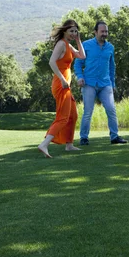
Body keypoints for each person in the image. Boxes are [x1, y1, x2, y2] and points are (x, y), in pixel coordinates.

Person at [74, 21, 128, 145]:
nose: (105, 34)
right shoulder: (86, 45)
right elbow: (77, 64)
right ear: (95, 32)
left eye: (106, 31)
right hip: (89, 83)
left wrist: (112, 84)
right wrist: (79, 77)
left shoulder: (110, 47)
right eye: (102, 31)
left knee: (111, 109)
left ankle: (114, 137)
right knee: (88, 111)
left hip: (105, 84)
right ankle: (84, 138)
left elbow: (111, 67)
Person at [38, 19, 86, 158]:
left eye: (76, 31)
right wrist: (63, 79)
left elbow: (82, 56)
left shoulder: (68, 46)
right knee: (63, 117)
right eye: (71, 31)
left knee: (73, 115)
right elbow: (51, 62)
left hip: (65, 85)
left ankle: (69, 145)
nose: (73, 33)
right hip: (61, 85)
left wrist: (78, 40)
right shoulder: (61, 44)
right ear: (64, 31)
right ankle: (44, 144)